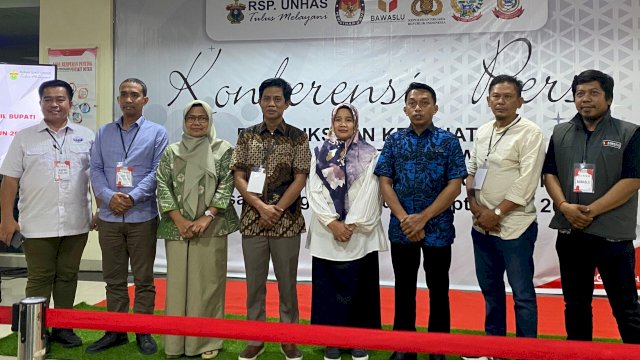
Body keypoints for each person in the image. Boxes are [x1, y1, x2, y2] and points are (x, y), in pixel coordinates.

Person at [543, 69, 640, 343]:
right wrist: (563, 206)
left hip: (612, 236)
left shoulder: (629, 132)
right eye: (580, 93)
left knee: (626, 308)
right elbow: (549, 173)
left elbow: (633, 180)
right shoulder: (560, 132)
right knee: (575, 306)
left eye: (593, 93)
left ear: (608, 99)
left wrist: (591, 211)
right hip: (571, 234)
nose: (586, 99)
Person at [374, 82, 467, 360]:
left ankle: (438, 347)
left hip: (437, 228)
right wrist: (405, 219)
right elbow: (385, 181)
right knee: (404, 288)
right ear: (405, 108)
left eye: (424, 102)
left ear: (435, 108)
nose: (418, 107)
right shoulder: (394, 140)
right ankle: (404, 347)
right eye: (413, 102)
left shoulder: (448, 141)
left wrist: (423, 218)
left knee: (439, 289)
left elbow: (455, 185)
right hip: (402, 229)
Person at [0, 79, 94, 349]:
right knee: (40, 277)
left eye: (60, 99)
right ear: (40, 103)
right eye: (48, 99)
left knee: (67, 276)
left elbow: (95, 177)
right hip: (37, 223)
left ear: (70, 103)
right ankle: (35, 330)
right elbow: (9, 181)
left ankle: (64, 328)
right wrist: (7, 218)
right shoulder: (24, 137)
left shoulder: (86, 136)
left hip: (76, 222)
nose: (55, 104)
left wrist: (98, 211)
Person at [230, 77, 311, 360]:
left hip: (286, 221)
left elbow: (300, 177)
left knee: (287, 283)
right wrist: (260, 207)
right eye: (267, 98)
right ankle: (256, 338)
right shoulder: (247, 135)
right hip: (253, 220)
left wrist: (275, 210)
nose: (272, 104)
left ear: (287, 103)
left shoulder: (298, 137)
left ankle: (289, 338)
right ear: (259, 101)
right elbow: (238, 175)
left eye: (278, 99)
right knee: (254, 282)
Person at [87, 78, 169, 355]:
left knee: (144, 279)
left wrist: (131, 197)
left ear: (145, 100)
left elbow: (157, 173)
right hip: (110, 218)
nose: (128, 99)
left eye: (134, 95)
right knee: (114, 279)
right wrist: (110, 197)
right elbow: (95, 170)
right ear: (118, 99)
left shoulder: (157, 133)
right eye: (123, 94)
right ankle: (116, 331)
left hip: (142, 216)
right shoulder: (103, 133)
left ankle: (143, 331)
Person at [465, 75, 544, 347]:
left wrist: (495, 214)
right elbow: (473, 170)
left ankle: (526, 351)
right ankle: (495, 346)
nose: (500, 101)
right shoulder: (484, 130)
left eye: (507, 96)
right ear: (488, 100)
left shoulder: (530, 132)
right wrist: (476, 208)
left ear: (520, 101)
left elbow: (527, 180)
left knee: (522, 294)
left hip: (515, 227)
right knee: (491, 291)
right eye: (496, 96)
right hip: (481, 226)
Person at [157, 100, 239, 359]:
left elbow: (227, 184)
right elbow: (162, 185)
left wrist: (207, 217)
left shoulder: (222, 149)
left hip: (211, 227)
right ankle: (176, 343)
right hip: (177, 227)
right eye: (191, 118)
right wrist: (180, 220)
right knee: (178, 285)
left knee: (208, 284)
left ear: (210, 120)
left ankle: (205, 342)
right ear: (184, 121)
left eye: (202, 118)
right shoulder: (172, 151)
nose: (197, 122)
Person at [306, 103, 387, 360]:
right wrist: (332, 222)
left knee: (359, 286)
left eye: (348, 120)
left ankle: (359, 339)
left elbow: (370, 193)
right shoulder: (320, 153)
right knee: (328, 288)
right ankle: (331, 340)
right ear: (332, 123)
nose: (342, 124)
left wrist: (350, 224)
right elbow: (314, 190)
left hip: (358, 232)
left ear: (356, 123)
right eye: (338, 119)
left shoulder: (370, 154)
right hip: (327, 231)